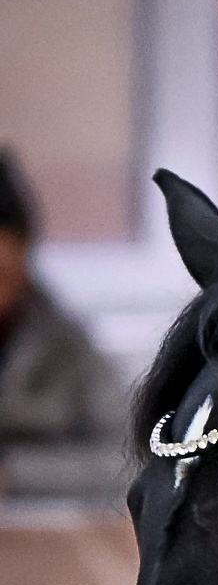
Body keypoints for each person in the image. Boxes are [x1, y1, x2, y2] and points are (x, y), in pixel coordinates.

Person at [0, 149, 126, 502]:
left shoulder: (65, 345)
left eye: (2, 275)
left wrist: (16, 474)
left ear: (25, 254)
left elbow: (126, 460)